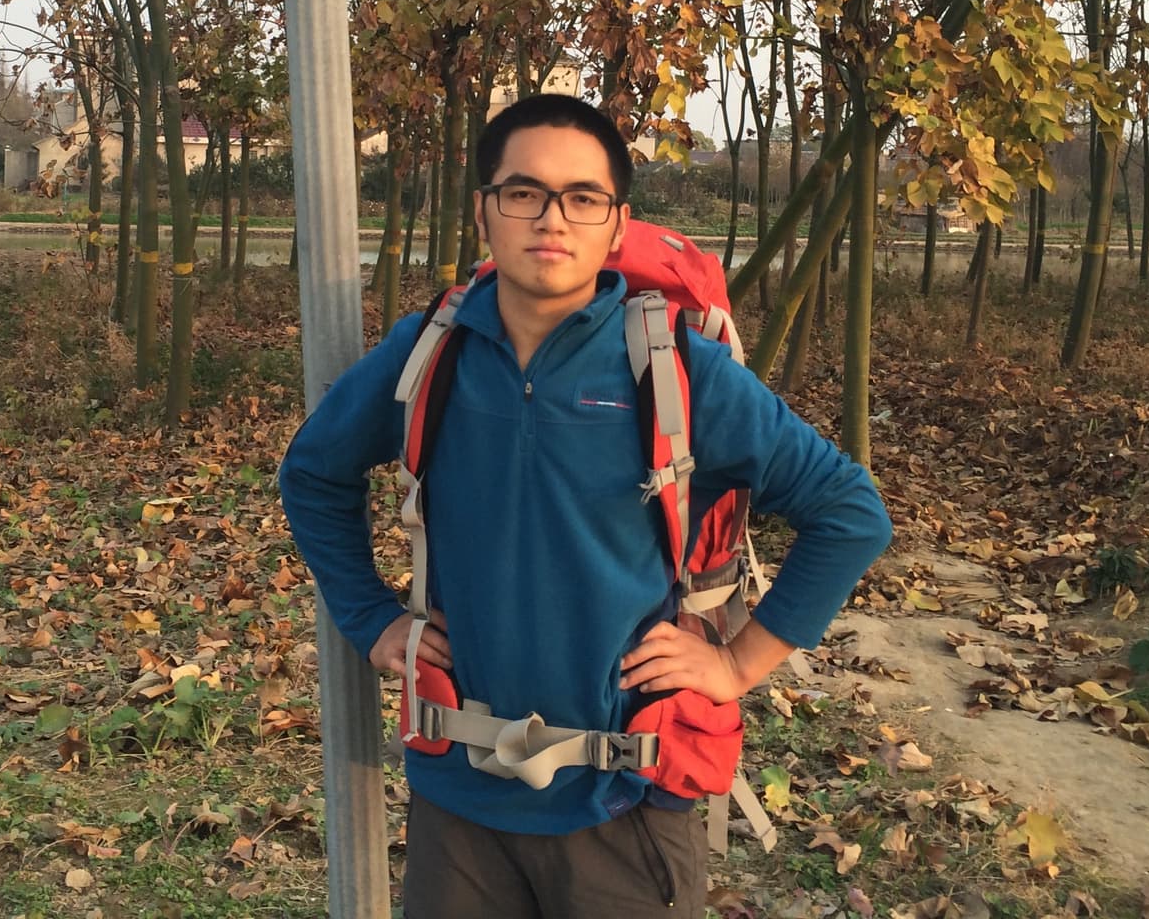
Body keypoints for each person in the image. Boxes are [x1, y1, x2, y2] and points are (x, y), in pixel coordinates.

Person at [280, 94, 893, 917]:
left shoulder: (674, 365)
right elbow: (313, 475)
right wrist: (373, 619)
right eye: (524, 192)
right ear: (484, 212)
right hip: (458, 802)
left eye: (582, 198)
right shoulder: (429, 354)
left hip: (626, 799)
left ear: (616, 222)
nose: (551, 220)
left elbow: (849, 510)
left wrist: (737, 664)